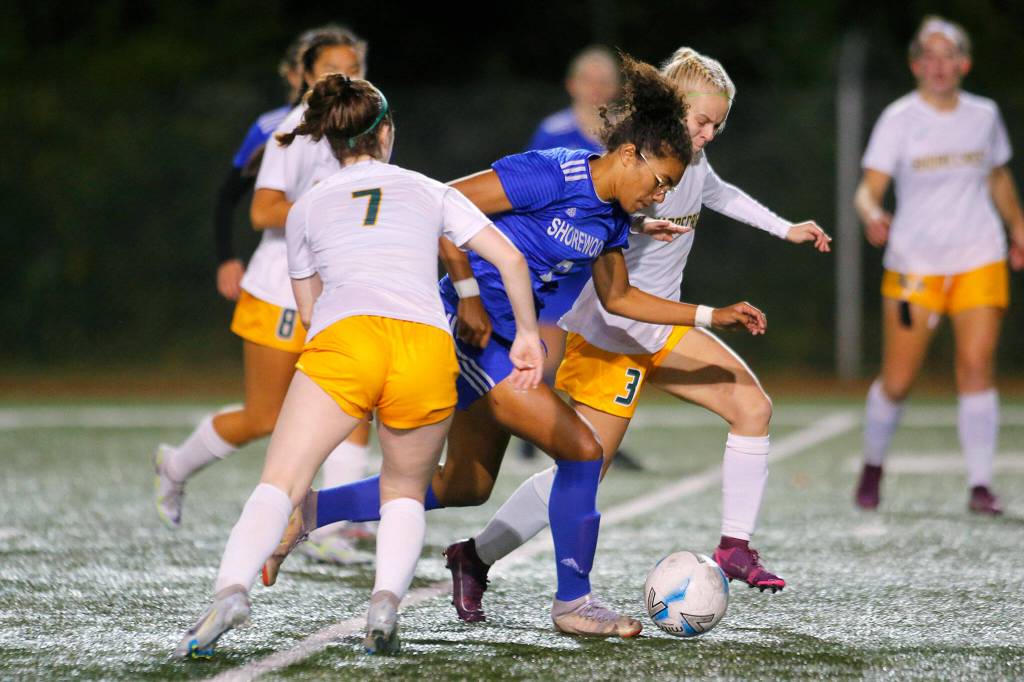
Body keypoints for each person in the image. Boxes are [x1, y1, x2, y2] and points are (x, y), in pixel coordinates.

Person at [262, 56, 768, 638]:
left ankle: (310, 513)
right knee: (582, 452)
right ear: (630, 154)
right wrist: (469, 292)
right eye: (658, 183)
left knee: (465, 486)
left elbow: (622, 299)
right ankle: (574, 603)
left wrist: (711, 315)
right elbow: (438, 204)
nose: (658, 199)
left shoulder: (610, 217)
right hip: (464, 334)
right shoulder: (551, 173)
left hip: (502, 344)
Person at [441, 46, 832, 622]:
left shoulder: (690, 163)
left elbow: (720, 194)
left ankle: (734, 546)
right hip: (613, 332)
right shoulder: (635, 166)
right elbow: (606, 269)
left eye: (718, 125)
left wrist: (784, 228)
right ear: (671, 111)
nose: (708, 133)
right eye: (701, 120)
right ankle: (476, 557)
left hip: (660, 327)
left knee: (752, 407)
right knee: (581, 470)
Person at [173, 74, 544, 659]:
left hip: (346, 340)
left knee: (280, 484)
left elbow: (310, 309)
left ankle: (232, 589)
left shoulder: (305, 209)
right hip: (424, 346)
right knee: (402, 490)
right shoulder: (428, 188)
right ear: (387, 132)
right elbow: (511, 258)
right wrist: (526, 337)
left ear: (329, 142)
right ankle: (385, 603)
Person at [152, 25, 377, 562]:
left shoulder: (369, 121)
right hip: (281, 289)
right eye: (334, 69)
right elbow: (260, 209)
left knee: (356, 404)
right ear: (305, 74)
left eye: (354, 69)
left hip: (340, 289)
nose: (346, 79)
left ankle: (331, 530)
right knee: (266, 417)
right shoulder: (293, 127)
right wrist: (329, 213)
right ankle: (175, 465)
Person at [852, 16, 1024, 515]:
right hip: (914, 263)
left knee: (976, 365)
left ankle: (980, 484)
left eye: (949, 54)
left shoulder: (984, 115)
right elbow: (869, 188)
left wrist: (1017, 227)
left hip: (980, 254)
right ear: (916, 65)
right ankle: (873, 464)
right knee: (899, 379)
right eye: (929, 54)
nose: (939, 63)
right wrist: (871, 213)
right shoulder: (899, 119)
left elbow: (997, 177)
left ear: (964, 64)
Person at [522, 46, 643, 470]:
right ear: (572, 85)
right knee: (548, 350)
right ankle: (527, 430)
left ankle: (599, 430)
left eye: (604, 80)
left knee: (604, 348)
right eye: (588, 79)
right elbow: (530, 190)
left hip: (603, 257)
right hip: (561, 256)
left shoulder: (627, 135)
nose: (596, 88)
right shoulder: (553, 131)